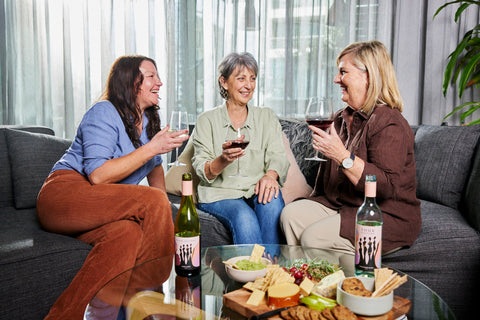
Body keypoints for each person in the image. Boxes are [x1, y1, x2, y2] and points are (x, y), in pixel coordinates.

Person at [36, 55, 189, 319]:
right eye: (151, 76)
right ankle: (152, 304)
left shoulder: (149, 122)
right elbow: (97, 175)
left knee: (127, 233)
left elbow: (158, 186)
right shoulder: (104, 111)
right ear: (130, 82)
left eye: (157, 76)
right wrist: (152, 149)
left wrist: (168, 224)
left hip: (100, 206)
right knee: (151, 201)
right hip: (64, 194)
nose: (160, 82)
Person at [280, 40, 421, 255]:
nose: (336, 79)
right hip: (344, 206)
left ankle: (336, 284)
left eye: (343, 72)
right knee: (291, 215)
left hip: (385, 215)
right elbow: (328, 181)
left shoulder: (390, 123)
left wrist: (340, 155)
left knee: (313, 237)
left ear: (368, 76)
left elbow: (385, 187)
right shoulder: (341, 117)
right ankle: (305, 279)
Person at [191, 52, 289, 245]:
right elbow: (203, 168)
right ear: (224, 82)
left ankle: (271, 274)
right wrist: (224, 160)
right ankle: (251, 274)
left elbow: (278, 155)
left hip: (256, 188)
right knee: (245, 218)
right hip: (220, 193)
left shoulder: (266, 116)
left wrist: (270, 176)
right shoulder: (206, 120)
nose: (249, 85)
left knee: (273, 205)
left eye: (252, 79)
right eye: (241, 78)